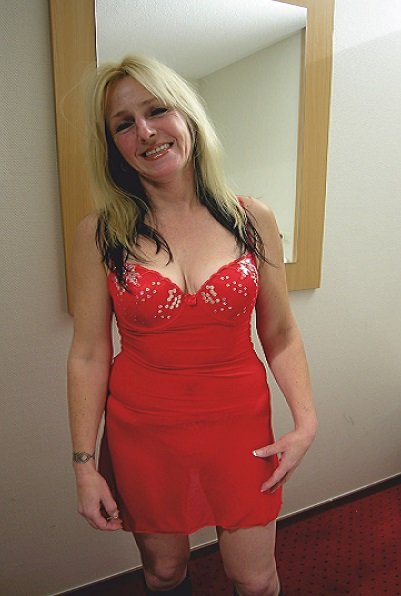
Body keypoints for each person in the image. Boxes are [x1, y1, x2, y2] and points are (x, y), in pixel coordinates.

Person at [67, 55, 317, 596]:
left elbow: (280, 333)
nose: (145, 131)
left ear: (187, 116)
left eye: (157, 110)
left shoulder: (252, 219)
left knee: (255, 579)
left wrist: (306, 421)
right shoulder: (99, 234)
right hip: (143, 432)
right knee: (164, 572)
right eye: (124, 124)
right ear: (112, 145)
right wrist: (84, 464)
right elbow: (88, 353)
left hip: (239, 426)